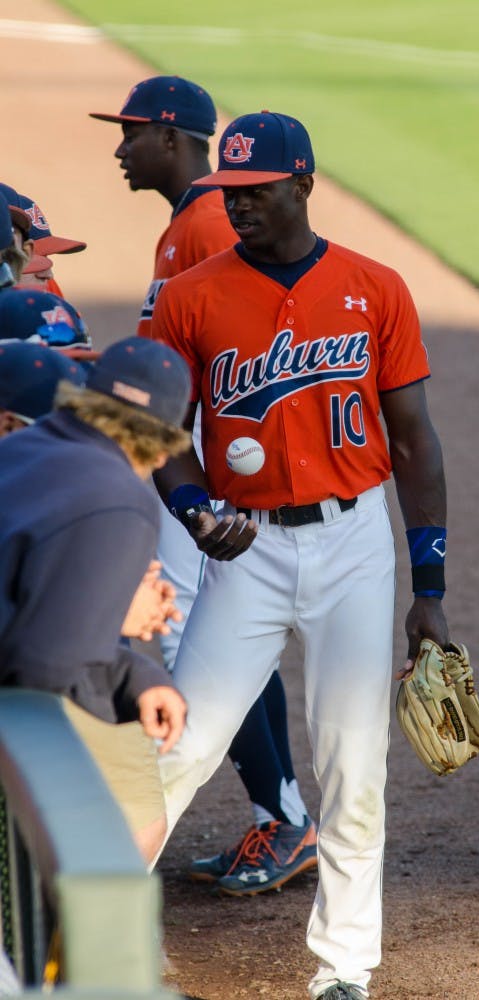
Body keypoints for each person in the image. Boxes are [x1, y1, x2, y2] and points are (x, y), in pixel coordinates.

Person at [147, 111, 451, 999]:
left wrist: (428, 586)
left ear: (304, 184)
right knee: (179, 745)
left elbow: (416, 441)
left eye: (258, 192)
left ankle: (345, 969)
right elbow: (153, 430)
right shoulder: (191, 296)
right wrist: (195, 506)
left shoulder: (376, 287)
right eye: (231, 192)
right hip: (244, 551)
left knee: (354, 762)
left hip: (354, 544)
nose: (238, 206)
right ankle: (91, 929)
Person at [90, 76, 318, 891]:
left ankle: (283, 817)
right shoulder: (184, 227)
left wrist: (153, 459)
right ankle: (278, 814)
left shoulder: (211, 223)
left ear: (170, 134)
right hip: (188, 467)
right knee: (211, 642)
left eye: (130, 133)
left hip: (205, 475)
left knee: (202, 644)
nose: (119, 149)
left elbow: (232, 363)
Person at [0, 336, 193, 864]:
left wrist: (136, 674)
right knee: (132, 816)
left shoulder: (17, 450)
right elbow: (44, 676)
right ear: (161, 445)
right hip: (17, 711)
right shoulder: (120, 501)